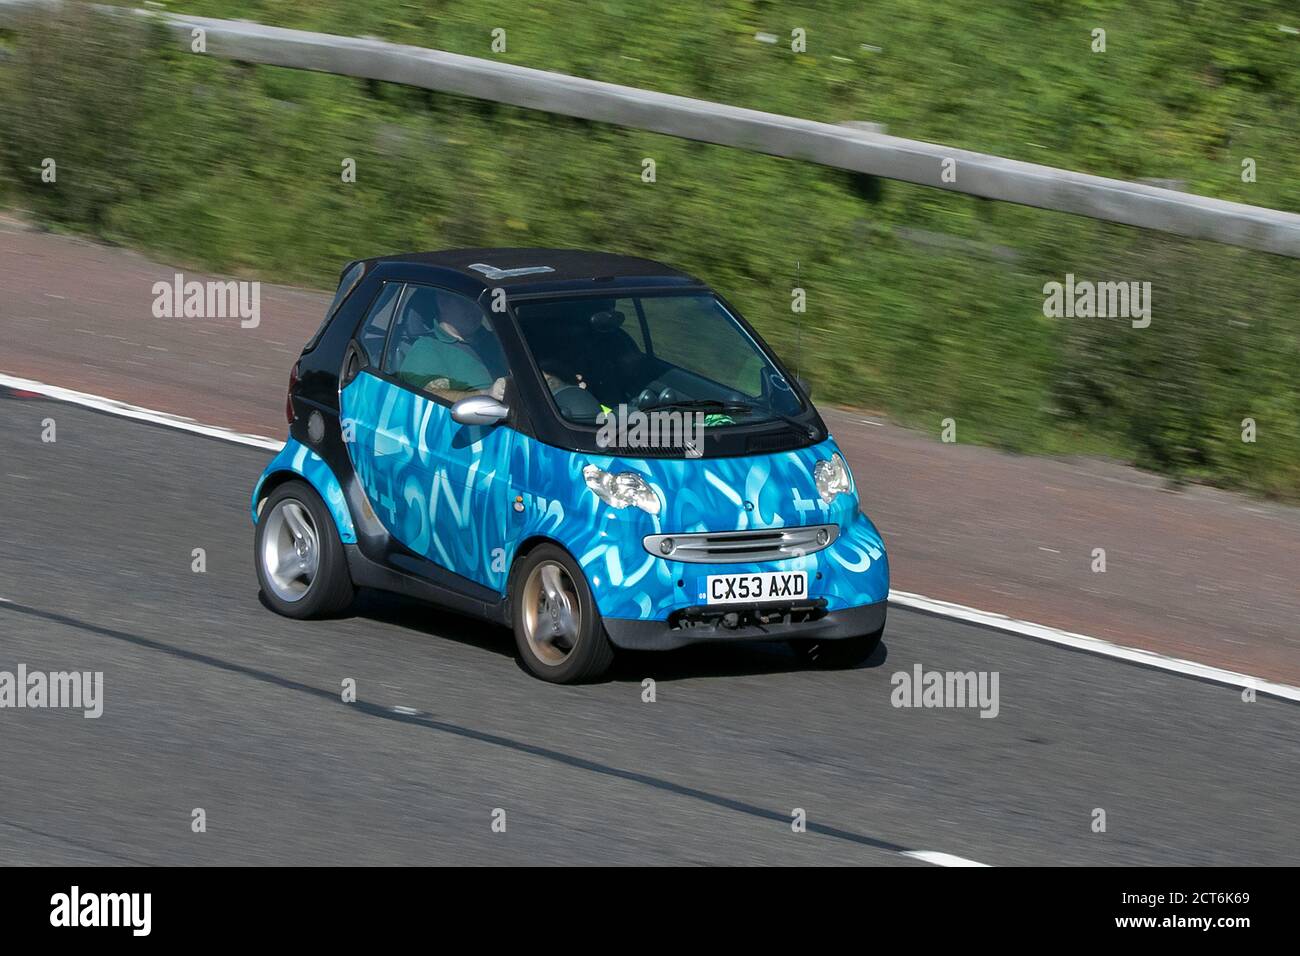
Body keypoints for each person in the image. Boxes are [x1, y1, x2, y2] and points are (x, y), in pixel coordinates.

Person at [394, 290, 507, 402]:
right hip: (474, 416)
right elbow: (428, 396)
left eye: (477, 303)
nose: (475, 308)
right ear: (442, 302)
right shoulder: (428, 348)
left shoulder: (498, 340)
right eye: (466, 302)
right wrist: (486, 394)